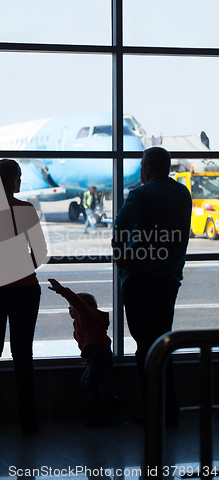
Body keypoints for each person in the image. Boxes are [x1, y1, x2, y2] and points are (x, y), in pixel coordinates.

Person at [111, 147, 192, 426]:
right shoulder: (183, 194)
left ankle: (153, 409)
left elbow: (122, 222)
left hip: (140, 279)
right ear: (167, 167)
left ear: (146, 167)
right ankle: (170, 408)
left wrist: (121, 252)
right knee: (162, 343)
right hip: (169, 279)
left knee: (145, 346)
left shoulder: (141, 194)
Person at [0, 159, 47, 433]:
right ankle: (28, 419)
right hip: (24, 289)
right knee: (22, 353)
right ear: (16, 180)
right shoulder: (26, 210)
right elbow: (40, 253)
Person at [48, 278, 121, 426]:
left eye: (71, 306)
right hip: (98, 354)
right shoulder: (88, 320)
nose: (70, 309)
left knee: (90, 383)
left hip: (98, 353)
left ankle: (100, 416)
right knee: (87, 383)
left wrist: (62, 290)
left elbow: (78, 302)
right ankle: (111, 401)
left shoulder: (86, 314)